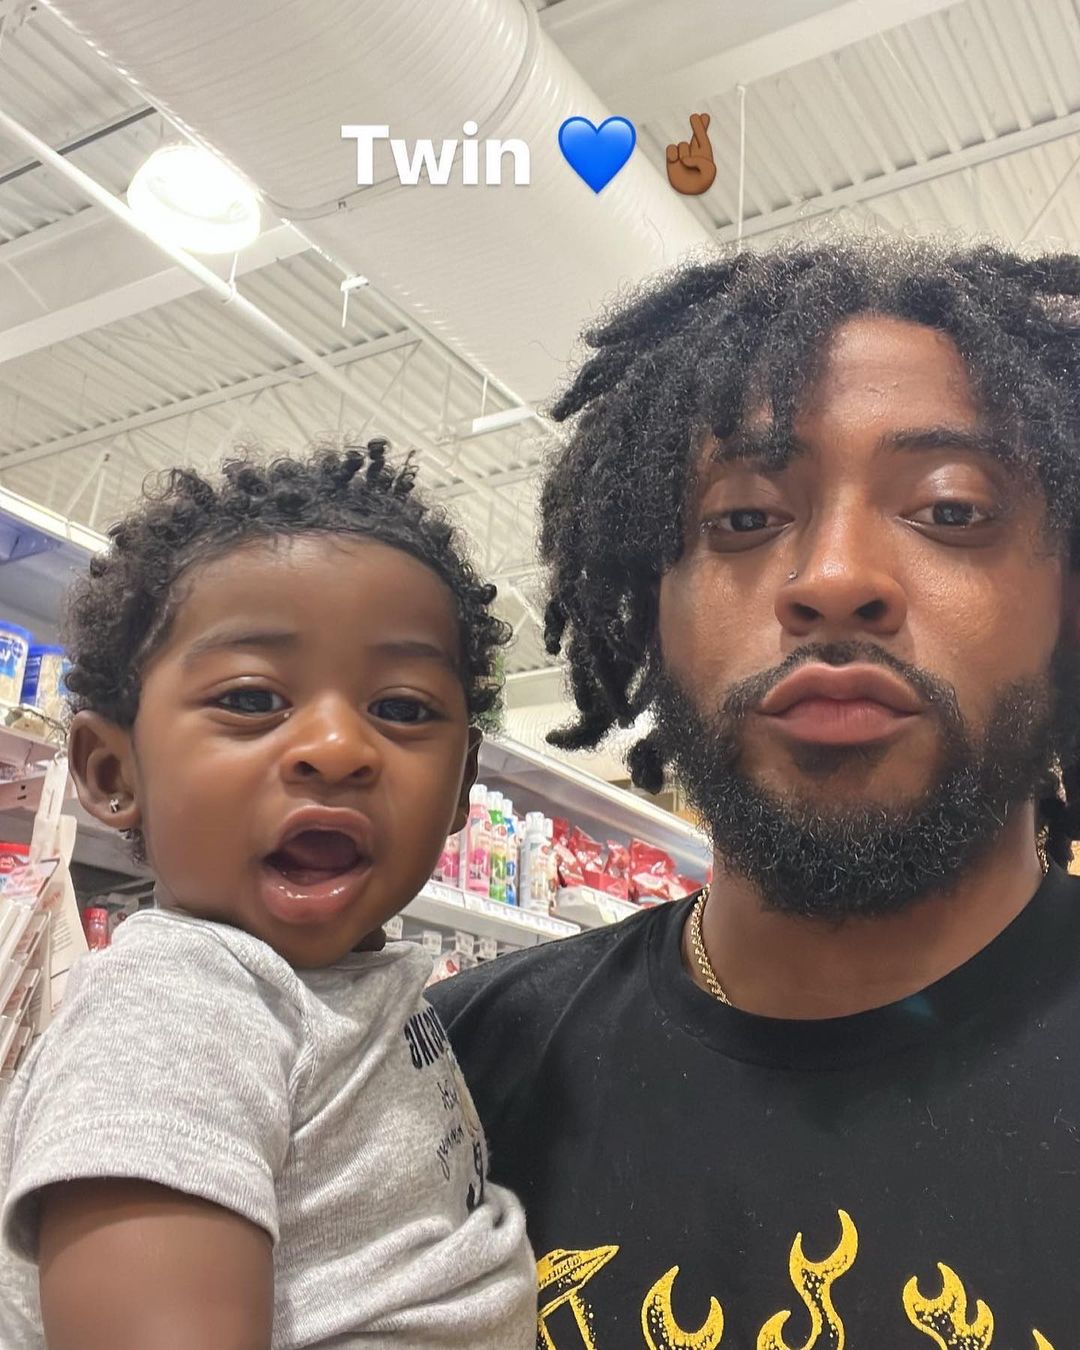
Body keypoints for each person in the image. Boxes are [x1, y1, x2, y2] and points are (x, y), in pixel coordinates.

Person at [428, 241, 1080, 1349]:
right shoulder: (454, 1076)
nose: (833, 578)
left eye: (951, 509)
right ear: (649, 605)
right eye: (741, 518)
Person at [0, 442, 536, 1350]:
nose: (337, 747)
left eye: (403, 708)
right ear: (112, 770)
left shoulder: (340, 990)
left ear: (460, 790)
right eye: (251, 699)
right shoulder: (175, 1022)